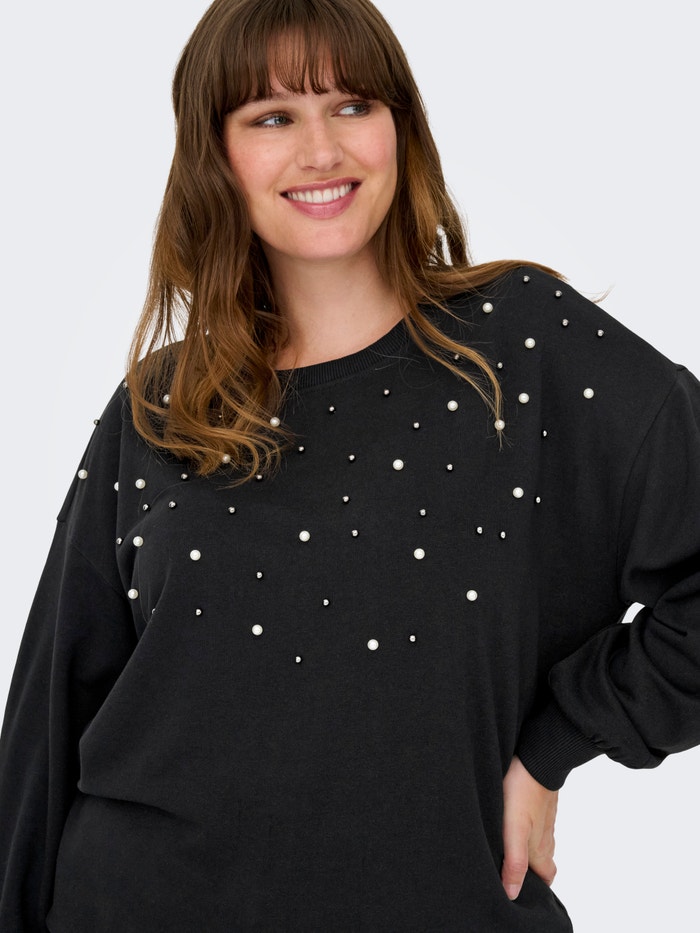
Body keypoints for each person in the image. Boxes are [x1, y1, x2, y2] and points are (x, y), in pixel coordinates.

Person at [1, 0, 699, 929]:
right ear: (217, 156)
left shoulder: (523, 346)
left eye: (352, 105)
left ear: (399, 126)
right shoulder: (162, 406)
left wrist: (558, 741)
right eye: (272, 117)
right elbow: (48, 723)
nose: (321, 150)